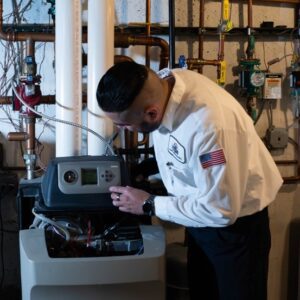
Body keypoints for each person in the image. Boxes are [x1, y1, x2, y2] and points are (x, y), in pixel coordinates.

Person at [96, 61, 283, 300]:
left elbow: (221, 210)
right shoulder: (168, 84)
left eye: (124, 124)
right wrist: (148, 169)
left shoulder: (209, 127)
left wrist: (149, 204)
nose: (121, 130)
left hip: (235, 234)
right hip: (199, 222)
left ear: (152, 113)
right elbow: (183, 150)